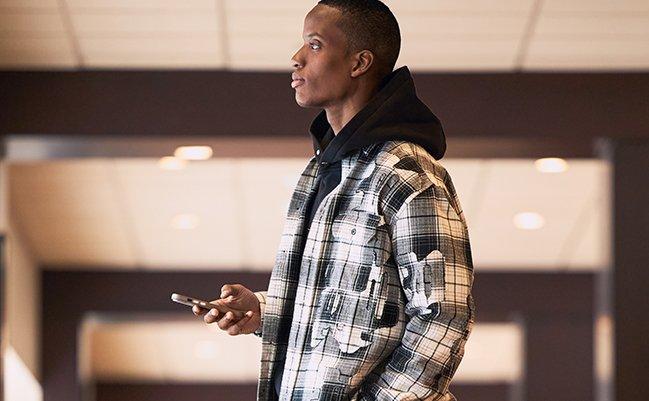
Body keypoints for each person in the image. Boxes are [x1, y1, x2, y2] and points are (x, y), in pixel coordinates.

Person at [193, 1, 475, 400]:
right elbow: (349, 304)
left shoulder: (406, 172)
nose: (296, 59)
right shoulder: (323, 171)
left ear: (359, 63)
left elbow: (444, 316)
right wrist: (264, 312)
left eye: (315, 45)